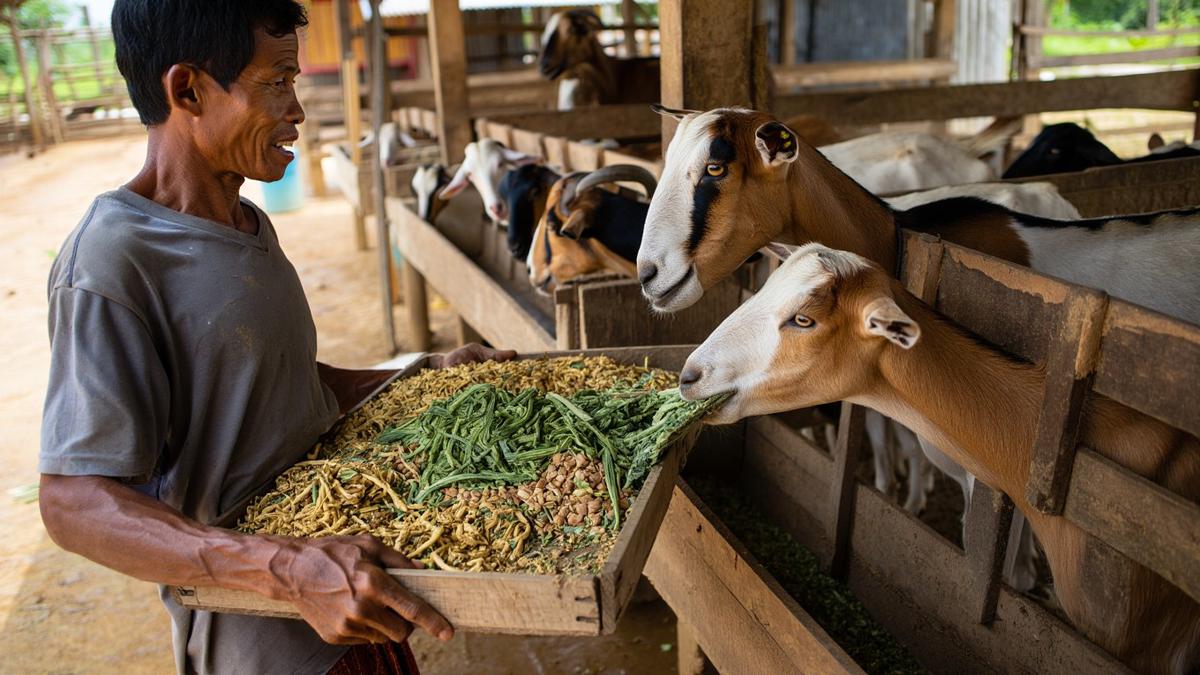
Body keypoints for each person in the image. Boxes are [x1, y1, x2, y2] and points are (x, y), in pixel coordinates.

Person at [37, 2, 514, 673]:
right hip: (265, 639)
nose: (297, 109)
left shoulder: (248, 224)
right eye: (275, 83)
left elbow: (284, 389)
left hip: (349, 600)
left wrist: (426, 373)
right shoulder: (111, 262)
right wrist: (285, 568)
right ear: (188, 90)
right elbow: (73, 501)